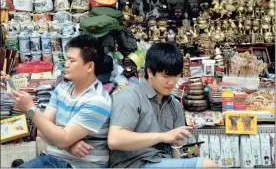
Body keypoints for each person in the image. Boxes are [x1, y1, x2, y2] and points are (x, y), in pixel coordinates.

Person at [107, 43, 218, 168]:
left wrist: (188, 151)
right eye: (166, 76)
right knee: (208, 165)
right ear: (150, 71)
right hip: (133, 164)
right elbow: (115, 140)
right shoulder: (130, 95)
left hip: (162, 161)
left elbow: (177, 152)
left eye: (175, 75)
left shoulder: (175, 106)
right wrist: (163, 137)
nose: (171, 82)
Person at [11, 35, 112, 168]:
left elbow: (62, 138)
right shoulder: (63, 88)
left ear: (89, 67)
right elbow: (42, 131)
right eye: (66, 59)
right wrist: (68, 145)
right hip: (51, 158)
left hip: (82, 165)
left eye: (72, 60)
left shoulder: (98, 100)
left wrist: (31, 110)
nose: (66, 64)